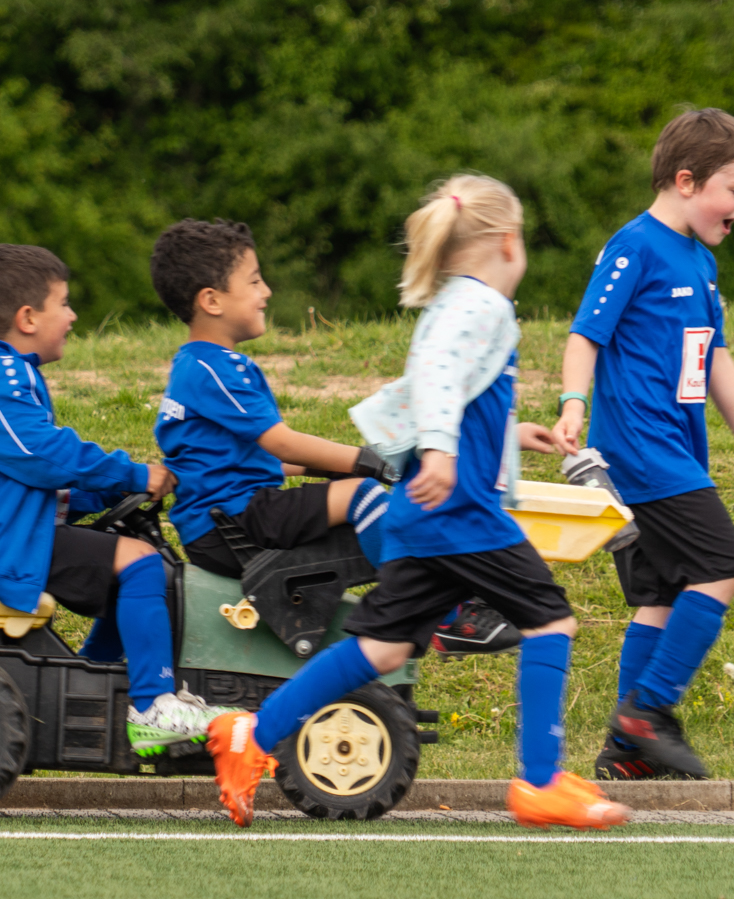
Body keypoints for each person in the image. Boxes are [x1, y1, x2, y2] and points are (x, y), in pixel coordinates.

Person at [208, 175, 631, 831]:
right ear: (508, 242)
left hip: (426, 516)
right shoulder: (481, 305)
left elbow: (452, 396)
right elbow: (434, 378)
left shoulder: (455, 302)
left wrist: (508, 437)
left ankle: (252, 736)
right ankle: (541, 782)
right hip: (461, 515)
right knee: (551, 621)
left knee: (383, 650)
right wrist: (439, 453)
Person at [149, 217, 520, 658]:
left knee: (355, 491)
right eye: (254, 280)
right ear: (211, 300)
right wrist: (368, 461)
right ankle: (442, 613)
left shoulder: (197, 366)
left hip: (225, 521)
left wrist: (335, 467)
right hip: (234, 522)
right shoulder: (213, 369)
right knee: (363, 496)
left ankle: (443, 595)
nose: (267, 291)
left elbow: (258, 459)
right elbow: (281, 443)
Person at [0, 242, 234, 752]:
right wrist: (133, 474)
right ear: (28, 318)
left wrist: (112, 491)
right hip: (4, 548)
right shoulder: (3, 379)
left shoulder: (9, 376)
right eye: (64, 303)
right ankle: (153, 706)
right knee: (141, 562)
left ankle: (95, 687)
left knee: (130, 575)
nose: (72, 316)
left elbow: (36, 482)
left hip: (12, 534)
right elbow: (48, 456)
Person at [552, 109, 734, 781]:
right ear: (686, 181)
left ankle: (626, 753)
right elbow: (584, 335)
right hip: (641, 450)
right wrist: (572, 403)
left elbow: (717, 358)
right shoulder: (635, 247)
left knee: (665, 594)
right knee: (723, 566)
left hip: (676, 450)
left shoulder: (701, 261)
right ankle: (648, 711)